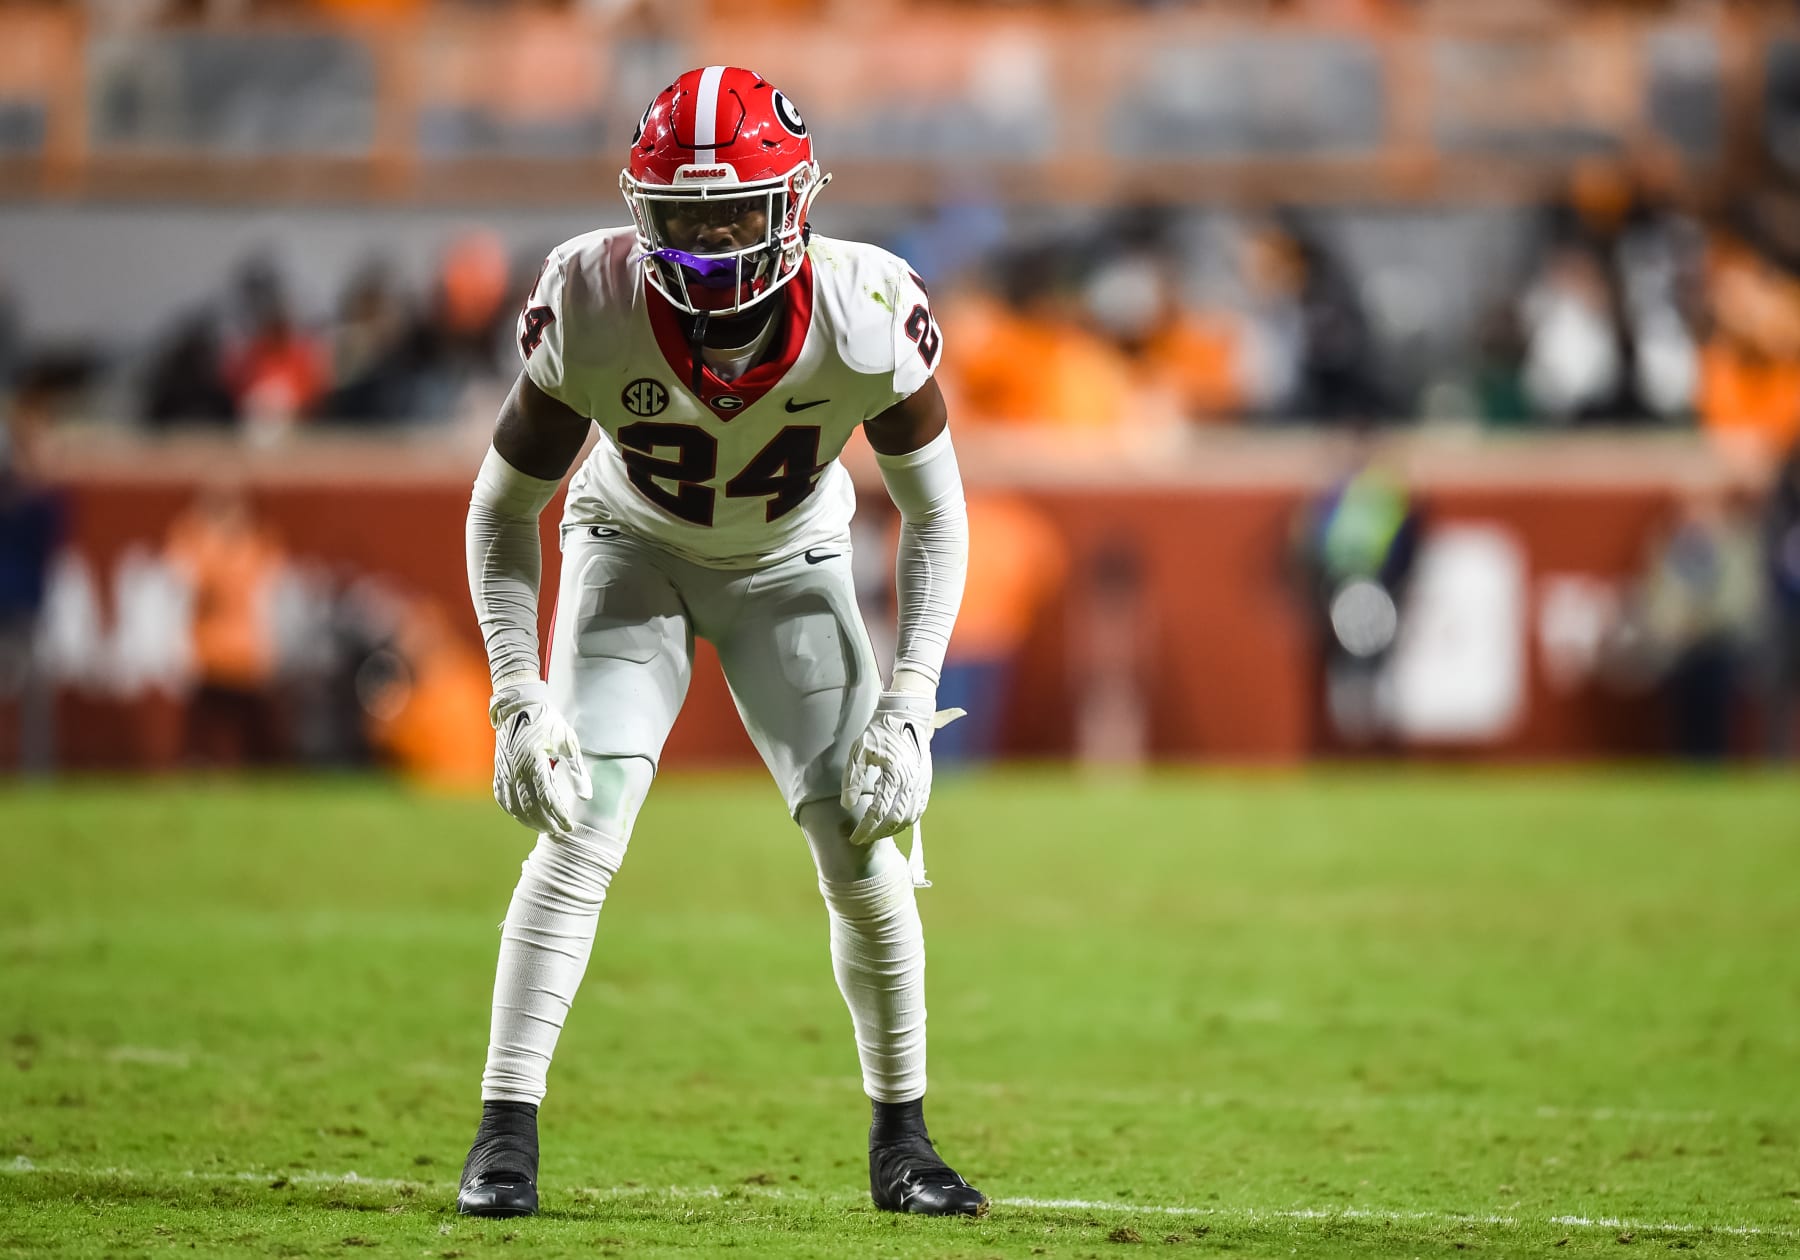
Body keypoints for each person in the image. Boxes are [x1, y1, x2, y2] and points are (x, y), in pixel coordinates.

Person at [456, 67, 982, 1220]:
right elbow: (502, 512)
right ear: (641, 209)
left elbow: (937, 516)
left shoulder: (866, 308)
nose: (704, 239)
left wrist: (910, 697)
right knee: (578, 828)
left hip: (790, 567)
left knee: (863, 844)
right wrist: (514, 694)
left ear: (793, 203)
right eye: (682, 213)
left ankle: (905, 1139)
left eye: (732, 210)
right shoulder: (589, 298)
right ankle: (505, 1134)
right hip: (628, 551)